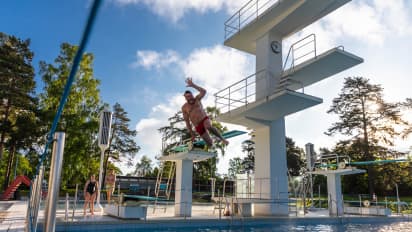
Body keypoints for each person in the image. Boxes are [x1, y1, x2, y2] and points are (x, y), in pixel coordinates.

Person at [182, 77, 229, 148]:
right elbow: (187, 121)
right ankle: (212, 140)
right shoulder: (184, 107)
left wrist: (193, 85)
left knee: (208, 126)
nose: (190, 98)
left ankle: (222, 139)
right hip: (197, 125)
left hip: (204, 119)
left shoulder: (197, 99)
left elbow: (204, 91)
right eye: (188, 97)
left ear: (192, 95)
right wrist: (192, 134)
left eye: (191, 96)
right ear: (185, 98)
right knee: (209, 144)